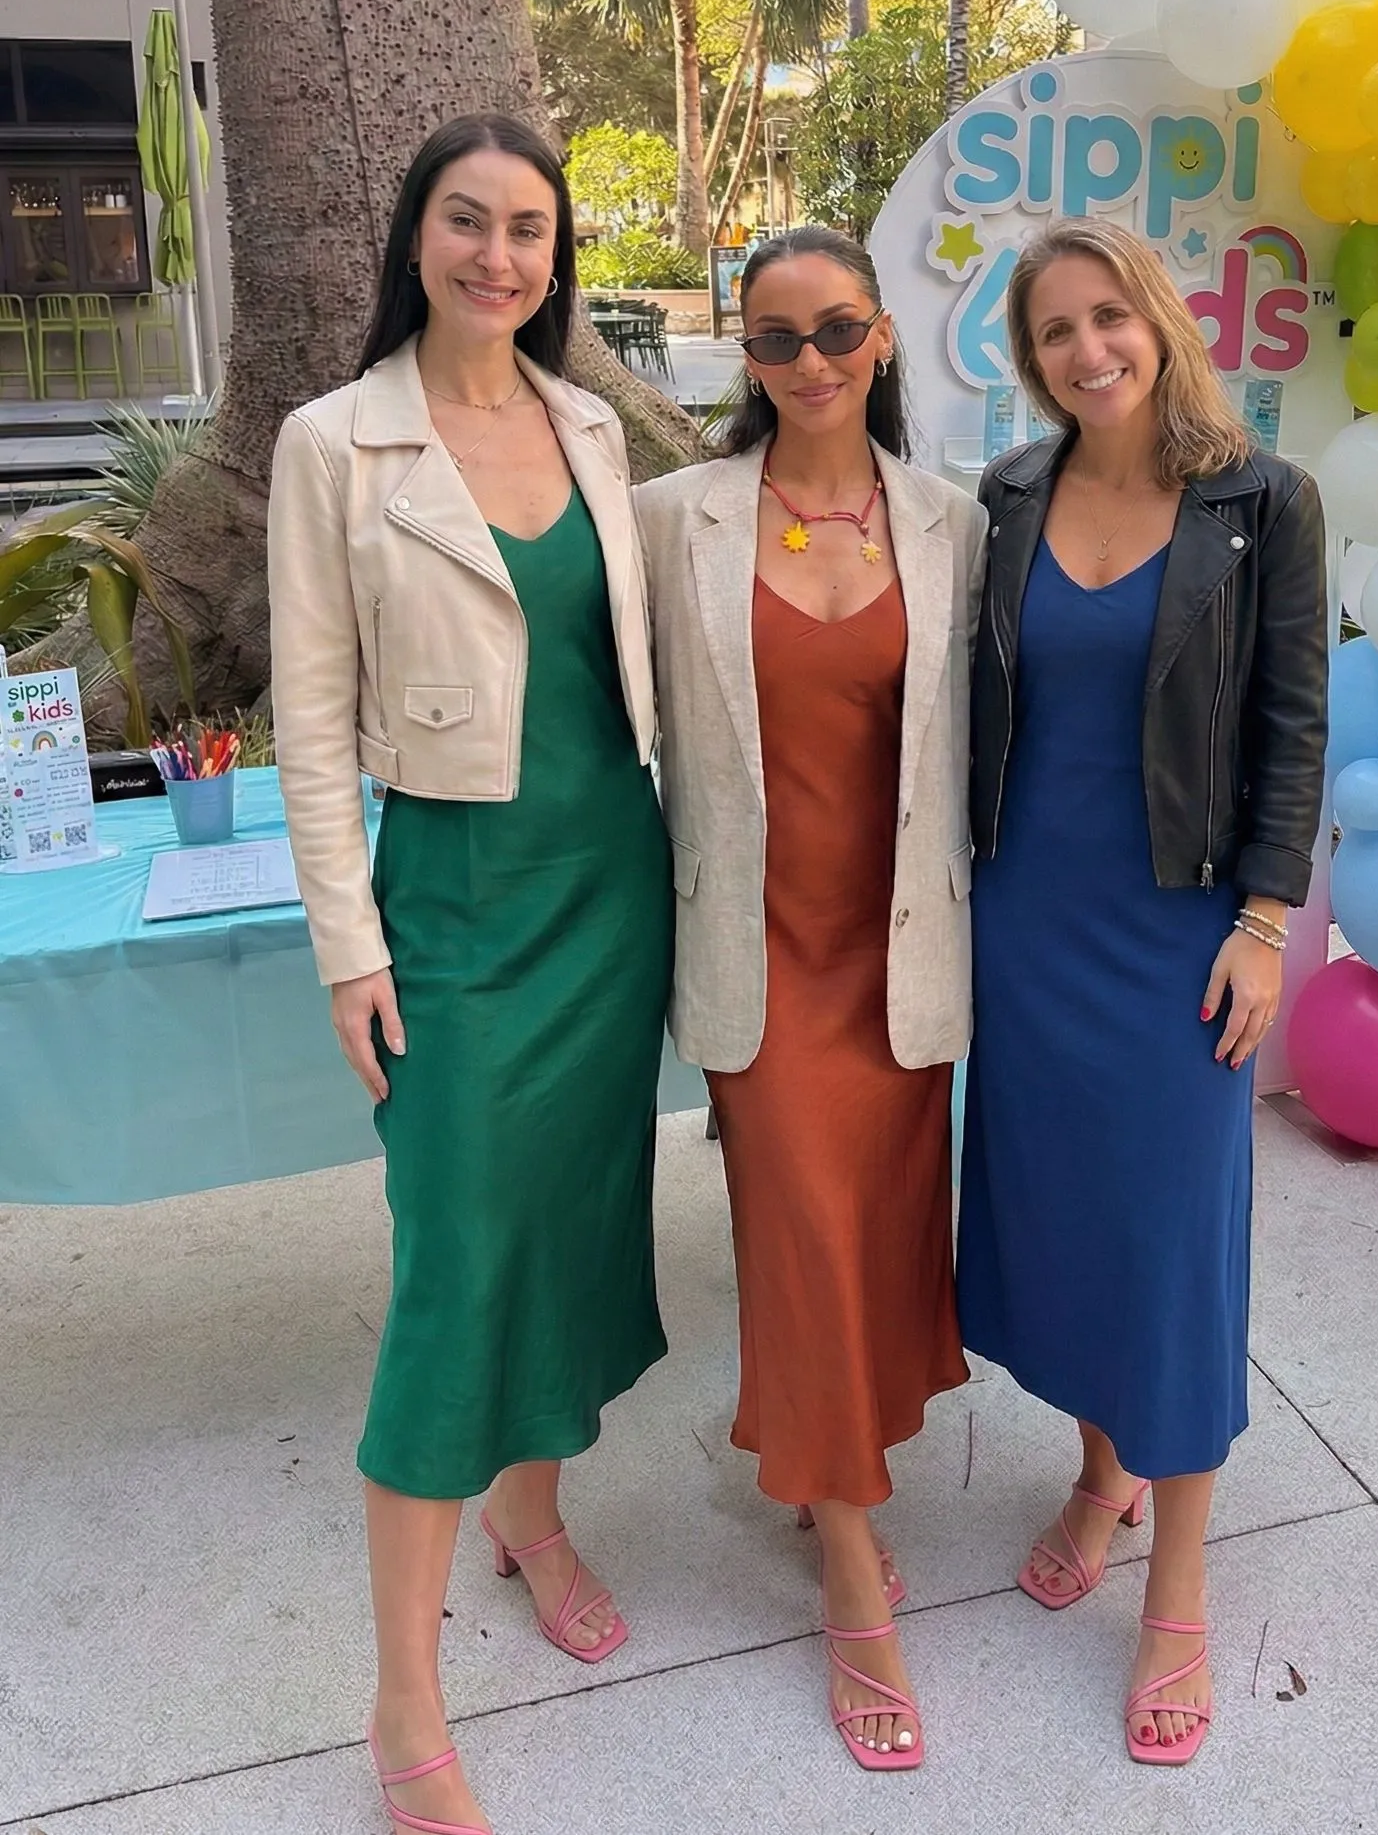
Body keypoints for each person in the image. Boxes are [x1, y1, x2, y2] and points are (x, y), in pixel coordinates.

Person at [267, 115, 671, 1835]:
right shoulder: (333, 442)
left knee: (570, 1228)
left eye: (527, 228)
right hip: (451, 905)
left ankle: (533, 1512)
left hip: (611, 890)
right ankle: (403, 1699)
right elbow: (307, 721)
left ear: (554, 254)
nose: (498, 255)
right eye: (466, 220)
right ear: (415, 237)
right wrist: (346, 945)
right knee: (453, 1270)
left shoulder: (590, 420)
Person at [958, 217, 1327, 1767]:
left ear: (1158, 319)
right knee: (1069, 1220)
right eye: (1055, 330)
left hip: (1181, 932)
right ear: (1029, 358)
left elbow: (1293, 720)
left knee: (1171, 1243)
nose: (1087, 349)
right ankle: (1099, 1471)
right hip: (1026, 923)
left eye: (1108, 315)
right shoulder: (1006, 496)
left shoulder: (1261, 500)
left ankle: (1175, 1582)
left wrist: (1264, 919)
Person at [636, 227, 986, 1774]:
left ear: (881, 336)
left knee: (878, 1244)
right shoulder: (673, 518)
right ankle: (848, 1569)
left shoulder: (957, 523)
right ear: (744, 356)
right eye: (774, 338)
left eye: (837, 328)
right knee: (804, 1244)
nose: (810, 360)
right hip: (759, 959)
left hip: (899, 958)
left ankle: (824, 1473)